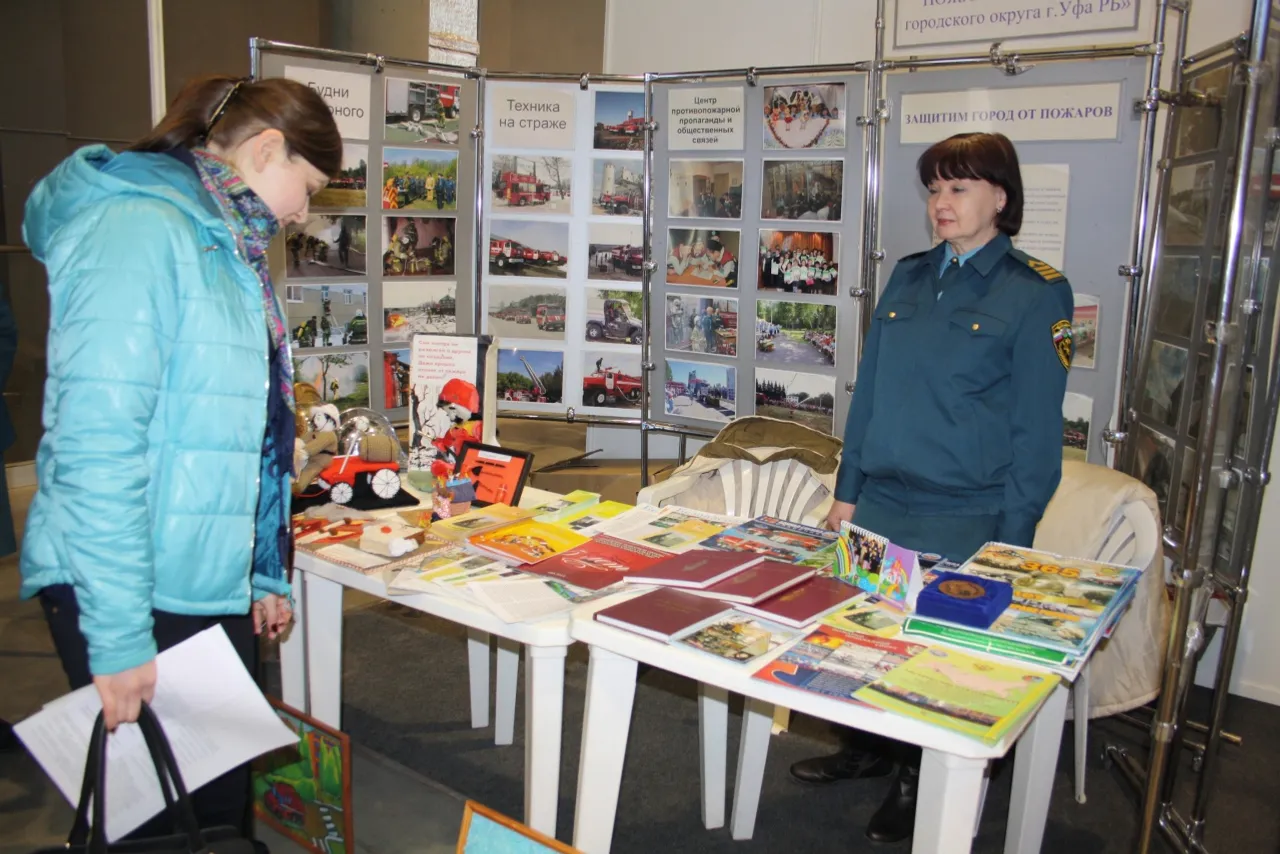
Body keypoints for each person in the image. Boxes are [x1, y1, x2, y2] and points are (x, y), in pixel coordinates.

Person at [20, 74, 341, 843]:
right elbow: (96, 447)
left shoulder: (220, 239)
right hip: (131, 582)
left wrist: (258, 570)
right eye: (306, 187)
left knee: (215, 811)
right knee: (159, 823)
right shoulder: (137, 229)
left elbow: (238, 430)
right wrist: (119, 637)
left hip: (197, 572)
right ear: (266, 148)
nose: (302, 212)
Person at [789, 132, 1073, 844]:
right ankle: (866, 748)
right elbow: (871, 393)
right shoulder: (910, 277)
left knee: (932, 662)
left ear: (999, 198)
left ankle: (918, 778)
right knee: (856, 639)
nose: (941, 203)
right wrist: (847, 491)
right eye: (935, 190)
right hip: (882, 505)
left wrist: (1012, 544)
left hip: (963, 513)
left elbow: (1037, 437)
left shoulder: (1036, 292)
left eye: (959, 188)